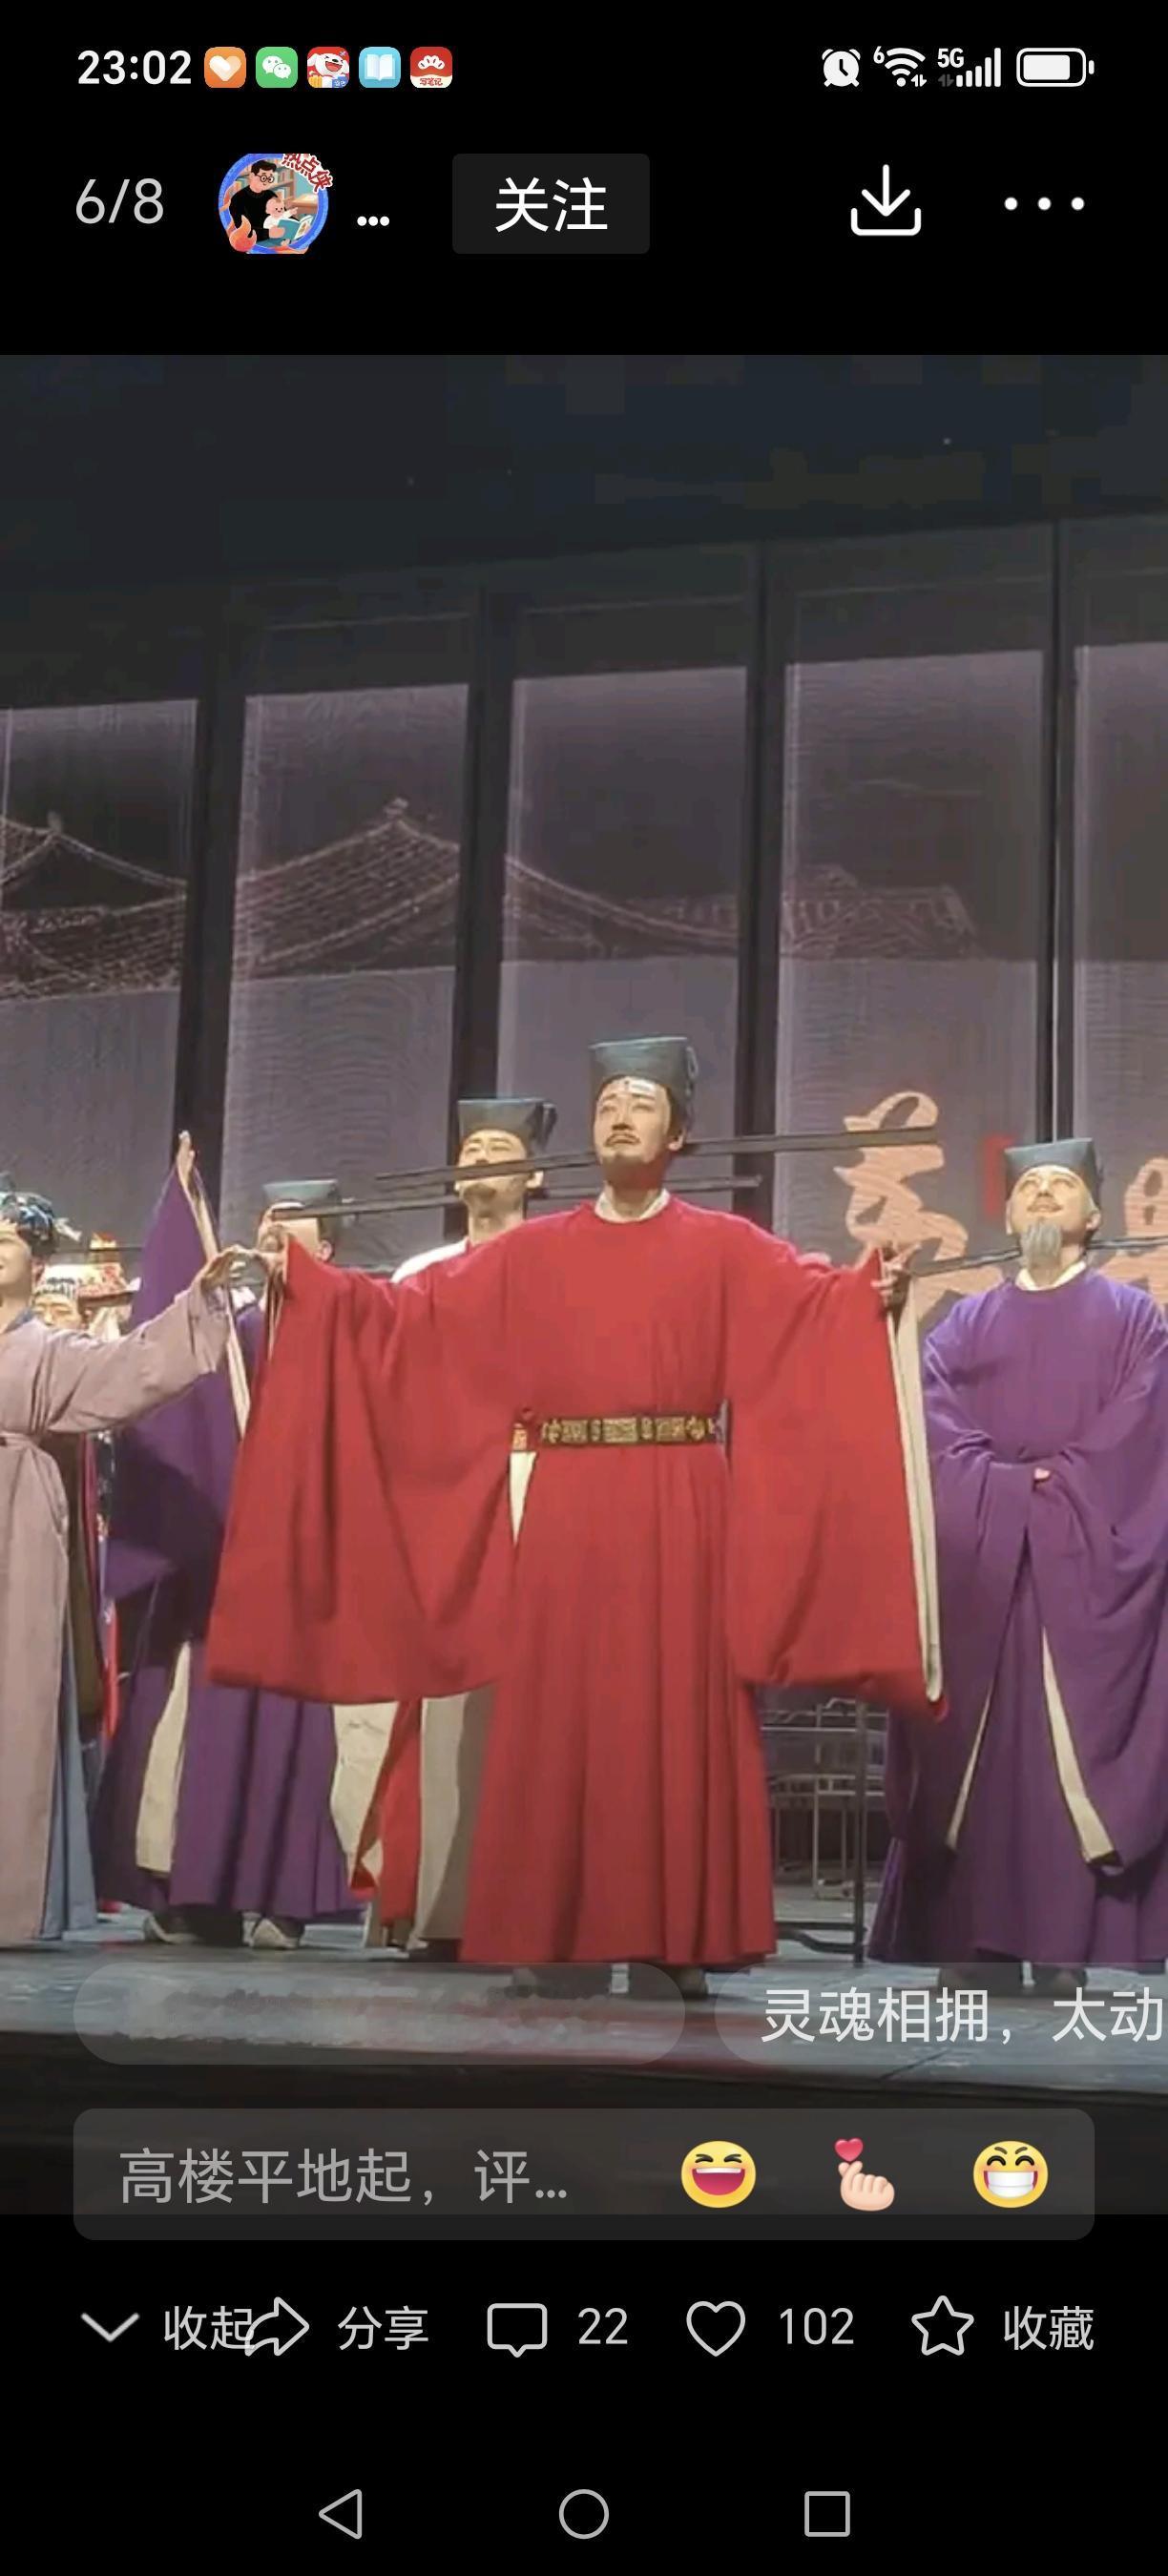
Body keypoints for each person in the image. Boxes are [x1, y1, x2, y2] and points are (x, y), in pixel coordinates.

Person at [208, 1037, 939, 1991]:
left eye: (642, 1104)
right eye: (607, 1106)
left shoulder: (725, 1246)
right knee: (559, 1714)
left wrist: (869, 1288)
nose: (620, 1118)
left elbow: (813, 1310)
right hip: (566, 1497)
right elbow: (408, 1321)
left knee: (676, 1712)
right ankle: (553, 1933)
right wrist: (310, 1282)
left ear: (679, 1133)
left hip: (681, 1495)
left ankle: (677, 1936)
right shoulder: (531, 1254)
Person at [870, 1137, 1168, 1996]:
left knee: (1071, 1745)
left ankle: (1066, 1943)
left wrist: (1056, 1490)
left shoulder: (1136, 1321)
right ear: (1005, 1214)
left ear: (1094, 1215)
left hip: (1086, 1568)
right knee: (974, 1747)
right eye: (1028, 1186)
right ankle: (975, 1949)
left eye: (1060, 1186)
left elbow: (1139, 1437)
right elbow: (930, 1428)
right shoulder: (965, 1325)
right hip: (983, 1572)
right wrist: (1004, 1492)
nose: (1042, 1197)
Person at [92, 1147, 359, 1950]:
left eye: (294, 1221)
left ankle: (284, 1888)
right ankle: (198, 1888)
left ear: (328, 1246)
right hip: (220, 1553)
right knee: (203, 1719)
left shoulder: (352, 1321)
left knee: (288, 1726)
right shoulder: (234, 1330)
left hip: (303, 1555)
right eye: (268, 1218)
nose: (274, 1228)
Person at [0, 1182, 229, 1947]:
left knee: (14, 1700)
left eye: (9, 1239)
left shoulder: (50, 1352)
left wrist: (195, 1305)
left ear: (38, 1264)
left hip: (16, 1520)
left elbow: (134, 1368)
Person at [364, 1096, 555, 1957]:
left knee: (540, 1695)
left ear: (534, 1175)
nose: (481, 1161)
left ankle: (539, 1904)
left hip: (543, 1475)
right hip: (447, 1489)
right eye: (470, 1150)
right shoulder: (422, 1273)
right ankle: (442, 1904)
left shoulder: (563, 1260)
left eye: (499, 1149)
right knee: (448, 1693)